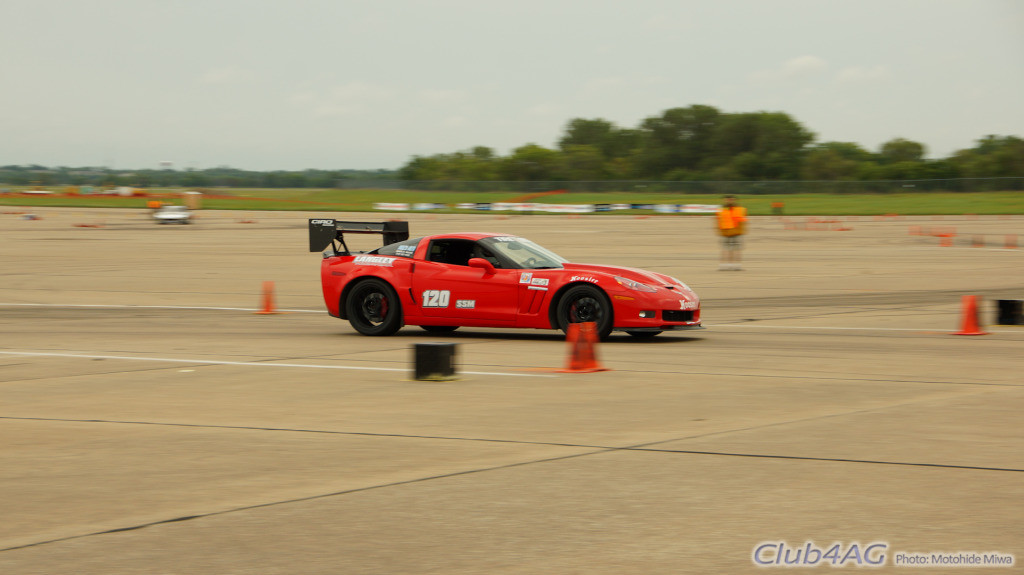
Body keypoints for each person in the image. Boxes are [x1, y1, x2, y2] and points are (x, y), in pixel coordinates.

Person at [716, 195, 747, 270]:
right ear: (724, 200)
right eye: (727, 200)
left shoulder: (740, 209)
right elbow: (718, 221)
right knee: (725, 249)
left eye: (731, 200)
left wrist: (742, 230)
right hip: (725, 232)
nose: (729, 201)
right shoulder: (720, 210)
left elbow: (743, 220)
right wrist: (719, 230)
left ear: (734, 200)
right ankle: (724, 265)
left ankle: (737, 265)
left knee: (737, 249)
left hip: (737, 232)